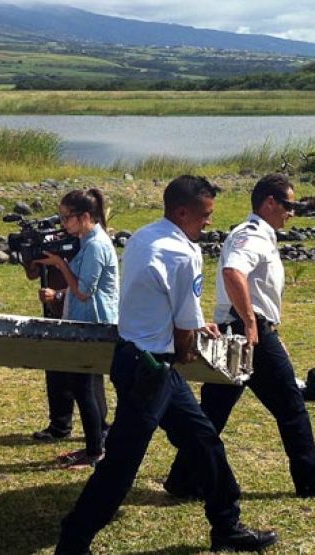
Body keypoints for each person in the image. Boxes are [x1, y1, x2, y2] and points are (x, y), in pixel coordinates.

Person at [56, 176, 277, 554]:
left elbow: (158, 300)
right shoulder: (183, 253)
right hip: (152, 369)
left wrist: (190, 324)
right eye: (205, 215)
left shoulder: (144, 236)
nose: (208, 223)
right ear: (182, 212)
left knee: (203, 439)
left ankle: (226, 523)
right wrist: (190, 343)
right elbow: (183, 337)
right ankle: (73, 541)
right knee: (121, 465)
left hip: (133, 357)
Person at [164, 173, 315, 501]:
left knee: (213, 412)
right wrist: (252, 323)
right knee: (291, 405)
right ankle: (310, 477)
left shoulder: (260, 235)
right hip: (249, 332)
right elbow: (233, 272)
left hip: (248, 329)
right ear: (269, 203)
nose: (292, 212)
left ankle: (184, 478)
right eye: (288, 205)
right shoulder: (252, 236)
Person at [33, 189, 118, 468]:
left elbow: (83, 291)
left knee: (84, 387)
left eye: (66, 218)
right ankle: (94, 446)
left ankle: (95, 450)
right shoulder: (85, 239)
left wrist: (60, 264)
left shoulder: (96, 245)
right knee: (83, 386)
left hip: (94, 322)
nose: (63, 223)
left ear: (84, 217)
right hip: (82, 321)